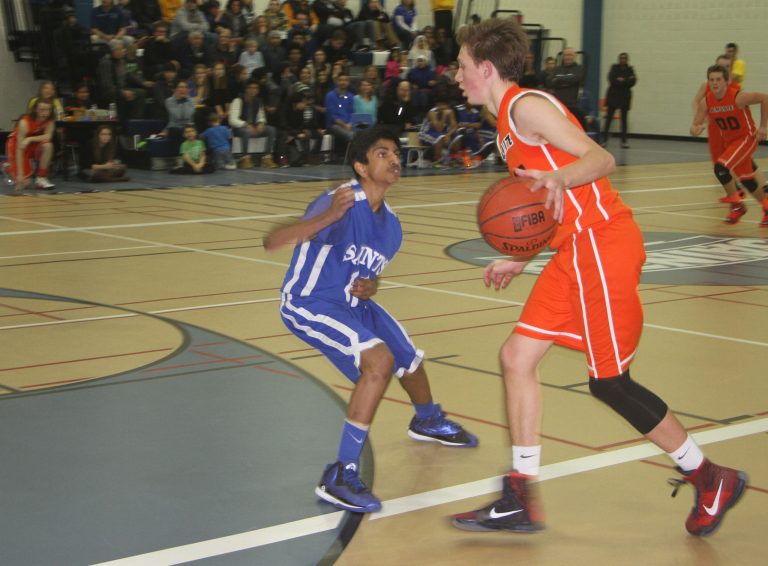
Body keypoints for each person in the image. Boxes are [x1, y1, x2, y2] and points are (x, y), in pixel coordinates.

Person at [449, 17, 748, 537]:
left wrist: (560, 177)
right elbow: (548, 207)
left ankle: (709, 476)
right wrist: (520, 255)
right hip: (573, 250)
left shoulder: (527, 108)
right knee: (516, 357)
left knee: (609, 383)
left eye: (462, 65)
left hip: (603, 244)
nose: (456, 75)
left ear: (487, 68)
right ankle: (520, 493)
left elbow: (600, 158)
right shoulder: (503, 126)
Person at [262, 125, 477, 513]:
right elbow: (273, 241)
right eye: (382, 153)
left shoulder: (392, 227)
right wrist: (327, 217)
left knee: (408, 359)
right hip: (310, 301)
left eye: (395, 153)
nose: (394, 159)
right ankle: (341, 474)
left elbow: (366, 270)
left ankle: (427, 420)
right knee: (378, 362)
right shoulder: (339, 202)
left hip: (351, 303)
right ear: (361, 166)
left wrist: (372, 285)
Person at [691, 64, 768, 226]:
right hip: (731, 143)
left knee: (721, 168)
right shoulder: (707, 102)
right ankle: (767, 207)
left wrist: (762, 126)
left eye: (718, 79)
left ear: (726, 82)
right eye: (712, 80)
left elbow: (764, 98)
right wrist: (695, 129)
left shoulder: (738, 97)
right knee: (747, 180)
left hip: (746, 138)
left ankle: (737, 205)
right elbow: (695, 124)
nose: (715, 83)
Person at [6, 98, 55, 192]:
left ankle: (41, 177)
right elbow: (19, 149)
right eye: (42, 110)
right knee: (25, 183)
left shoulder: (50, 120)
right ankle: (8, 167)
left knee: (48, 145)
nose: (45, 113)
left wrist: (30, 139)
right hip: (16, 145)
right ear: (36, 109)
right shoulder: (24, 122)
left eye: (48, 110)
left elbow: (48, 136)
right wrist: (20, 174)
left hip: (31, 143)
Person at [229, 78, 278, 168]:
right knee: (246, 131)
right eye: (251, 88)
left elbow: (261, 116)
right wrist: (246, 124)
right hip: (240, 128)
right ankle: (245, 158)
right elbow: (232, 120)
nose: (253, 90)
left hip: (254, 126)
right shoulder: (238, 100)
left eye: (255, 88)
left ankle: (267, 157)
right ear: (246, 89)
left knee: (271, 130)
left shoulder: (258, 101)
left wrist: (261, 123)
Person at [602, 53, 636, 148]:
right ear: (618, 59)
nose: (623, 60)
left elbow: (633, 81)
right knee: (609, 119)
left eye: (625, 58)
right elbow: (612, 79)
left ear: (627, 60)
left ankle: (624, 141)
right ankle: (604, 140)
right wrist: (626, 80)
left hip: (624, 97)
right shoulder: (614, 68)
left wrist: (622, 80)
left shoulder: (630, 69)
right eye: (621, 58)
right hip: (613, 95)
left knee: (624, 120)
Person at [418, 95, 457, 168]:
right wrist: (444, 116)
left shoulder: (450, 112)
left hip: (440, 133)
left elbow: (454, 127)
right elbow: (438, 129)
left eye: (445, 105)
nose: (443, 107)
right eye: (441, 105)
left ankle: (453, 158)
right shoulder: (432, 112)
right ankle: (437, 160)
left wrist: (448, 135)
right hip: (426, 134)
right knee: (440, 137)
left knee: (457, 136)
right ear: (437, 105)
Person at [551, 47, 585, 126]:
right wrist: (568, 79)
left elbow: (576, 78)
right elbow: (551, 82)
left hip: (573, 105)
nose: (568, 57)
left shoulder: (579, 68)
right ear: (563, 56)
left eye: (570, 55)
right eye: (566, 55)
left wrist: (559, 79)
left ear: (575, 56)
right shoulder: (558, 68)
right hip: (558, 105)